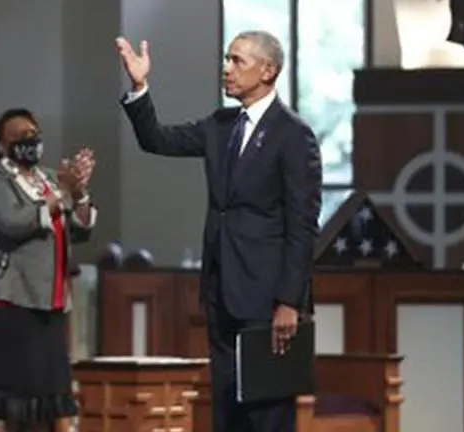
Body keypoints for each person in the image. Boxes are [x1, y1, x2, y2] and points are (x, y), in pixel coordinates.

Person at [116, 31, 322, 432]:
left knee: (267, 415)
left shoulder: (294, 135)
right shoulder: (220, 125)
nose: (226, 69)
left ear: (268, 70)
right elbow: (156, 139)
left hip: (267, 301)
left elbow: (302, 226)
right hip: (221, 292)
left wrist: (289, 302)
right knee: (227, 414)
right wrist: (139, 86)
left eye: (237, 61)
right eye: (227, 59)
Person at [0, 108, 97, 432]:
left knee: (54, 393)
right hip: (6, 301)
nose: (29, 140)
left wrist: (79, 191)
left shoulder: (49, 179)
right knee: (12, 398)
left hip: (46, 302)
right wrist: (63, 192)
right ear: (2, 144)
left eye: (33, 133)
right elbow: (12, 223)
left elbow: (81, 229)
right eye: (19, 136)